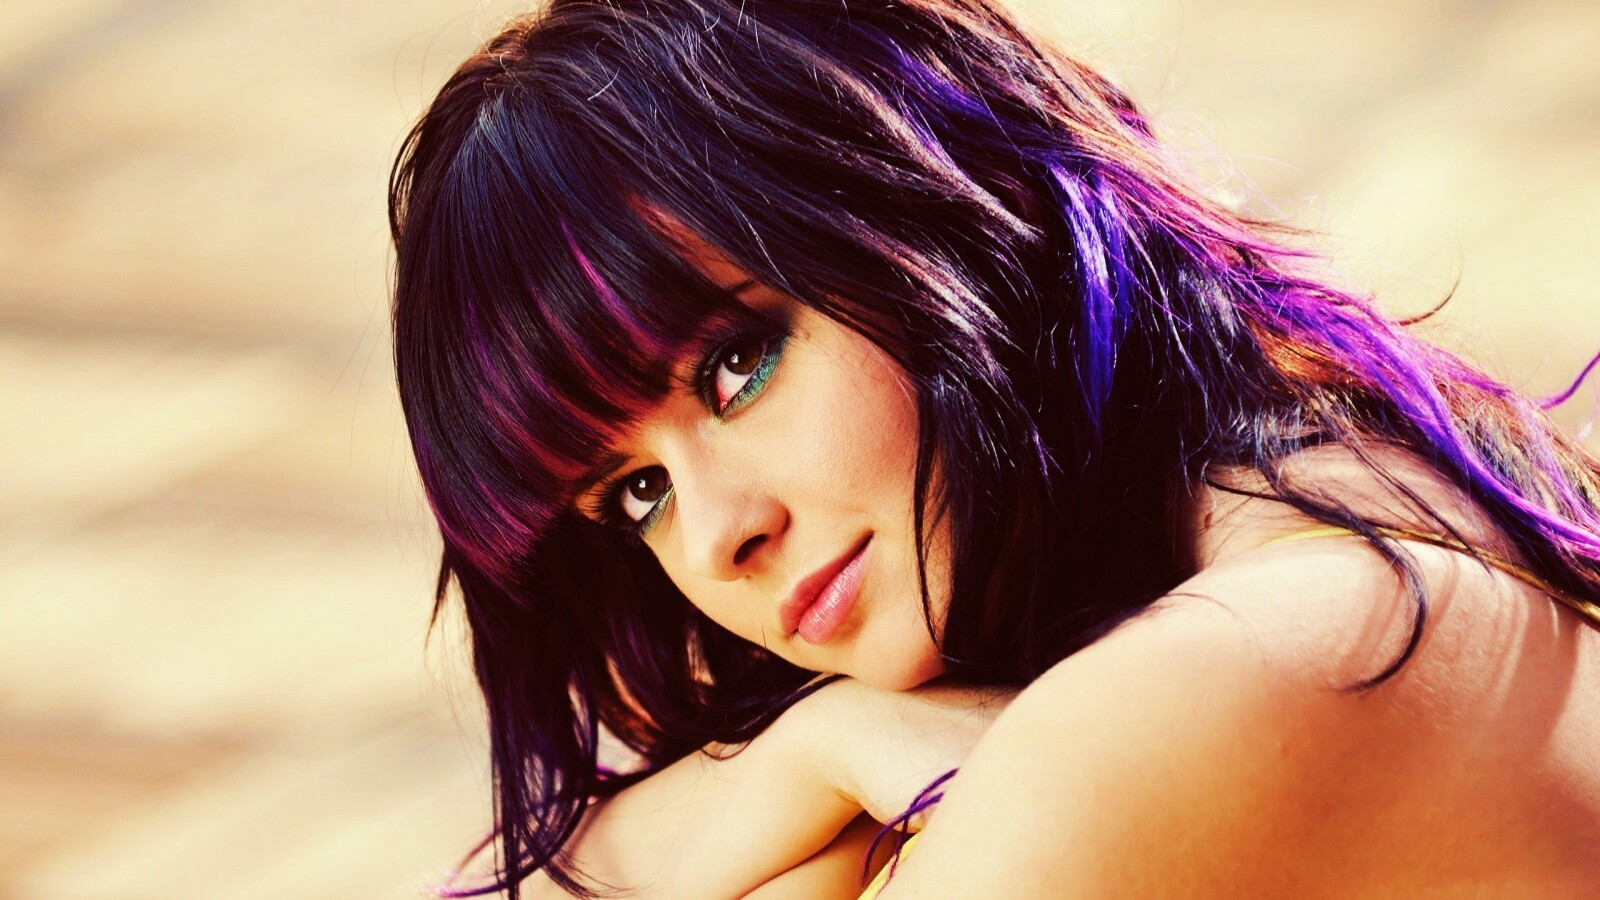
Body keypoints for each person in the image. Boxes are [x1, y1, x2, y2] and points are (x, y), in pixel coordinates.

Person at [388, 0, 1600, 895]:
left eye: (739, 365)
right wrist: (811, 750)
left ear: (921, 216)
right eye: (638, 490)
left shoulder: (1196, 694)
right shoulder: (1325, 483)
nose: (717, 538)